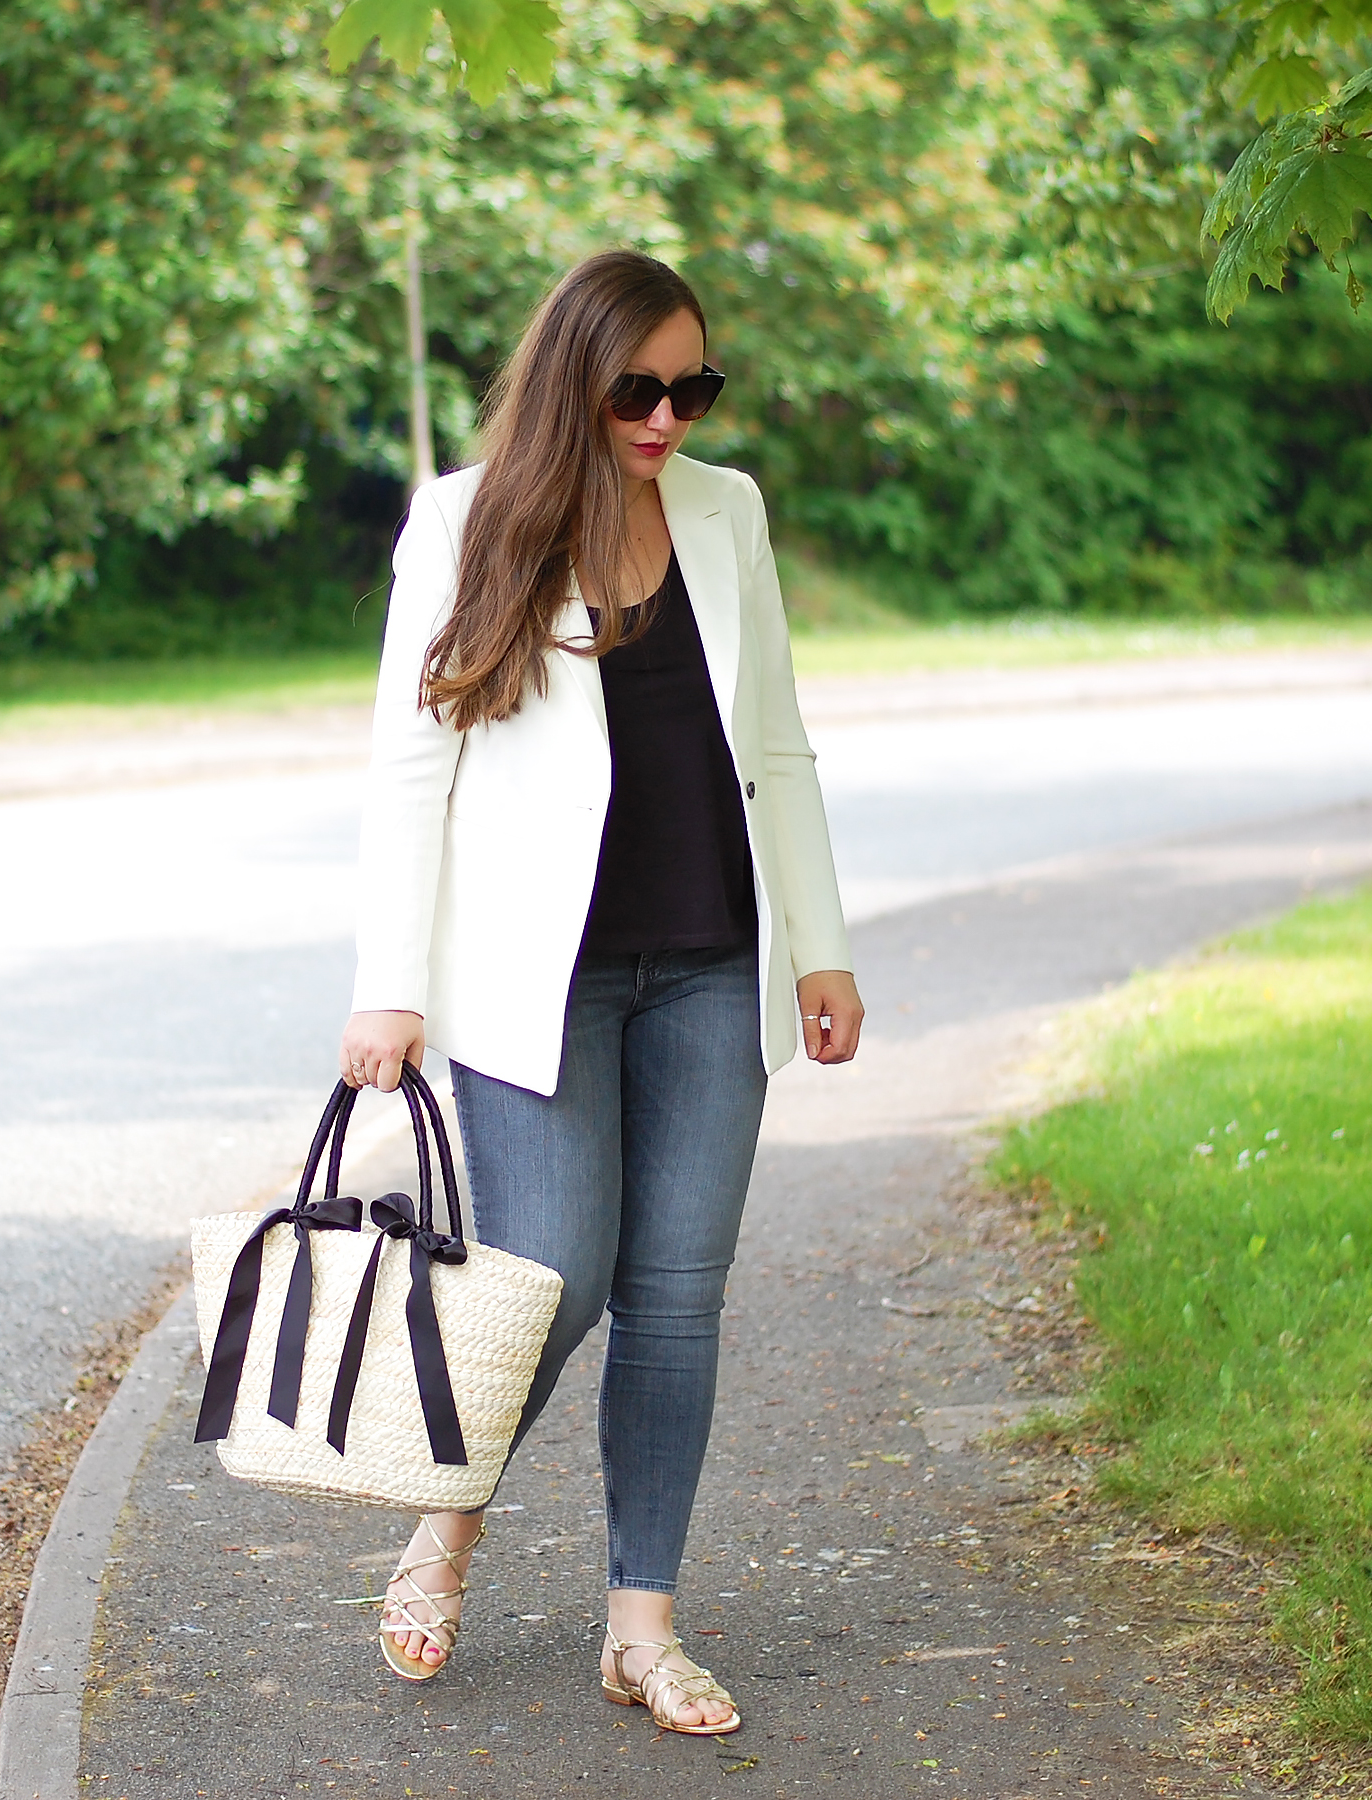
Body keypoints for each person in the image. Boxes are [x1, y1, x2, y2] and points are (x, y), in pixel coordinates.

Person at [339, 248, 863, 1736]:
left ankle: (643, 1626)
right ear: (575, 376)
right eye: (640, 389)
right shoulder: (465, 517)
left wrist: (818, 945)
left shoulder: (726, 509)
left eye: (695, 388)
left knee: (679, 1300)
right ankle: (449, 1518)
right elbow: (409, 765)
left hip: (709, 960)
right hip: (532, 980)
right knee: (548, 1278)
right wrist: (389, 986)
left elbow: (780, 743)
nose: (668, 418)